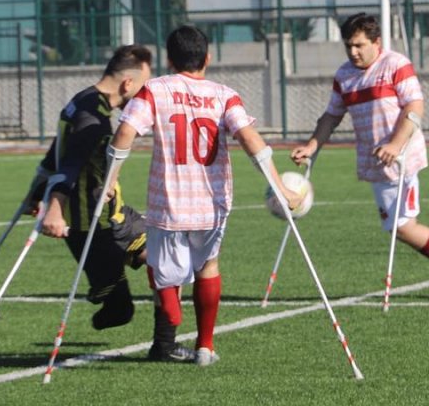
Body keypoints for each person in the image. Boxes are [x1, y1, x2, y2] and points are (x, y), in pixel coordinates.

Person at [108, 25, 301, 367]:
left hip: (169, 201)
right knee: (208, 266)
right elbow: (249, 138)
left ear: (169, 58)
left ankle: (171, 308)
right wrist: (281, 187)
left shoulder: (155, 90)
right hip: (212, 204)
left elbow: (125, 130)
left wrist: (111, 177)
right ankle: (205, 347)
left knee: (162, 269)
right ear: (207, 58)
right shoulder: (224, 95)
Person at [290, 13, 429, 301]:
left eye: (359, 45)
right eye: (348, 46)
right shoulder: (344, 75)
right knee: (399, 227)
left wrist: (395, 144)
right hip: (376, 163)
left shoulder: (395, 64)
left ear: (376, 42)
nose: (353, 52)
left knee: (402, 227)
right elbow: (332, 114)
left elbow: (415, 107)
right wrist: (312, 145)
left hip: (404, 159)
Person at [23, 45, 194, 363]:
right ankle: (108, 298)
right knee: (120, 312)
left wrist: (34, 194)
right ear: (128, 84)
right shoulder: (94, 122)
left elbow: (54, 153)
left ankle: (165, 346)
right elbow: (68, 166)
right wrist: (54, 209)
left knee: (169, 259)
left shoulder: (83, 100)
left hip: (116, 217)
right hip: (92, 230)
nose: (146, 95)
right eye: (144, 85)